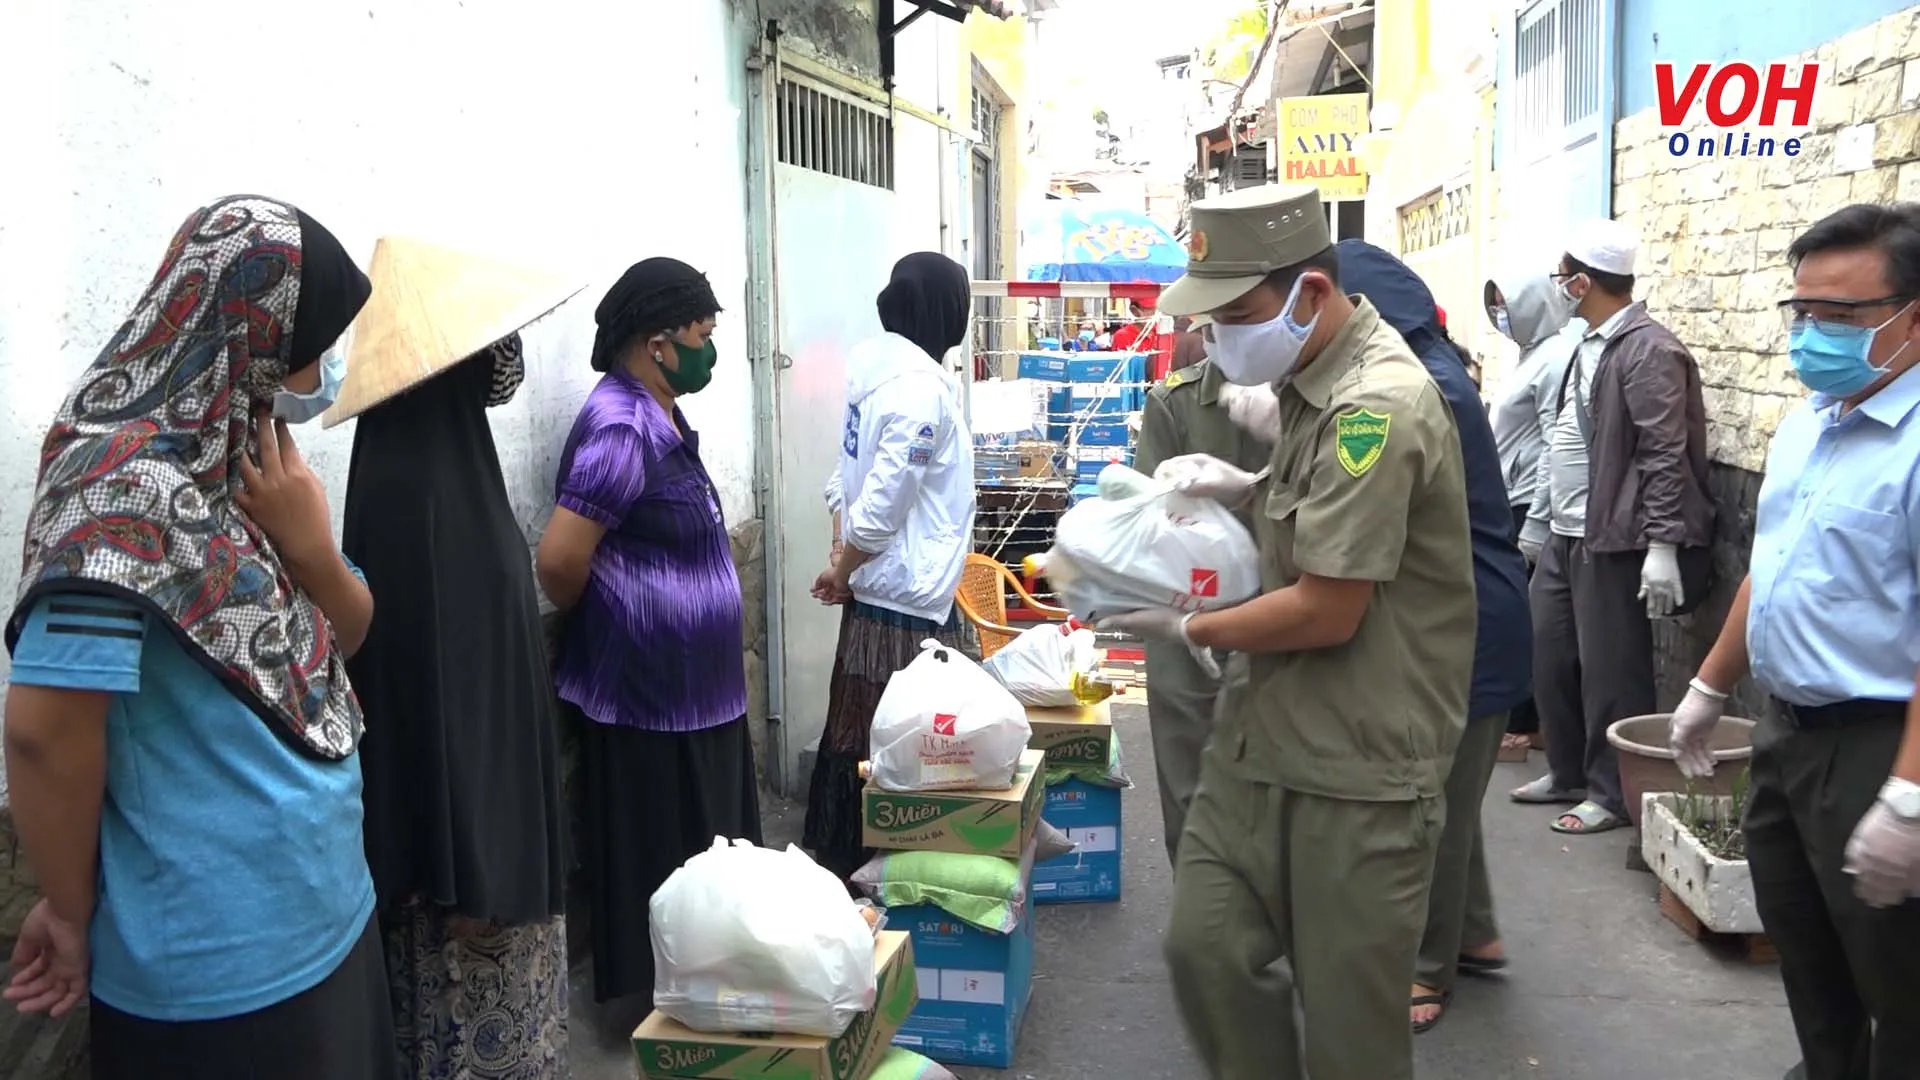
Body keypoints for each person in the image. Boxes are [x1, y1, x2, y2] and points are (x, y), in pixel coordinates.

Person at [1, 195, 399, 1080]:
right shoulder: (114, 487)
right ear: (253, 329)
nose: (326, 369)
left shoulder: (238, 463)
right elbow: (43, 729)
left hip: (327, 910)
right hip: (222, 965)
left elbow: (354, 630)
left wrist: (315, 550)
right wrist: (69, 910)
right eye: (316, 344)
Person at [1103, 184, 1476, 1080]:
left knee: (1352, 1035)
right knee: (1205, 951)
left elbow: (1327, 606)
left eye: (1236, 316)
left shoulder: (1372, 407)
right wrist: (1248, 487)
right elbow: (1303, 511)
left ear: (1309, 293)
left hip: (1358, 765)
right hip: (1259, 740)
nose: (1218, 339)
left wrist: (1185, 623)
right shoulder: (1307, 382)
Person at [1667, 202, 1920, 1080]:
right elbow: (1770, 569)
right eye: (1800, 310)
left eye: (1840, 315)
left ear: (1912, 316)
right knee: (1810, 962)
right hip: (1786, 737)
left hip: (1882, 743)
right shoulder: (1813, 420)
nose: (1811, 332)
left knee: (1901, 981)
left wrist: (1909, 796)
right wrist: (1706, 688)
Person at [341, 311, 569, 1072]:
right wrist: (473, 868)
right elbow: (439, 700)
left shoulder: (440, 470)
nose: (503, 371)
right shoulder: (427, 489)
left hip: (481, 846)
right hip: (465, 881)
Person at [534, 257, 762, 1006]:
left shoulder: (659, 409)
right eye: (701, 333)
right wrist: (624, 616)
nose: (709, 348)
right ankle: (664, 1004)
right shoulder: (621, 424)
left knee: (708, 853)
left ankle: (713, 989)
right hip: (649, 699)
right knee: (662, 855)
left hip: (697, 696)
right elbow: (561, 561)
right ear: (658, 341)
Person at [1333, 239, 1533, 1033]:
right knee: (1450, 792)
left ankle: (1425, 968)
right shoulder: (1430, 371)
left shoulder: (1413, 390)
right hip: (1468, 613)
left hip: (1464, 624)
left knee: (1428, 806)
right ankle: (1475, 934)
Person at [1511, 218, 1715, 835]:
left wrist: (1661, 544)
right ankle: (1568, 770)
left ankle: (1613, 792)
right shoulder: (1586, 343)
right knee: (1549, 656)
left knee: (1611, 671)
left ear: (1580, 283)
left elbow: (1664, 452)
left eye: (1561, 278)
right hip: (1566, 530)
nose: (1557, 289)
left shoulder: (1649, 349)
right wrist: (1542, 520)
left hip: (1617, 535)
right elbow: (1564, 436)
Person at [803, 252, 978, 883]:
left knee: (867, 740)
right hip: (905, 607)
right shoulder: (916, 392)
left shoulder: (877, 376)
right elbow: (877, 507)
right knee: (915, 753)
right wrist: (845, 565)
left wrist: (840, 558)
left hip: (891, 592)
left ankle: (859, 875)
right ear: (941, 311)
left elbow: (840, 482)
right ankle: (904, 878)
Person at [1132, 314, 1273, 864]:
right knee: (1189, 781)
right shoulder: (1176, 402)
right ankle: (1207, 922)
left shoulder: (1321, 399)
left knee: (1284, 784)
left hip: (1293, 615)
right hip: (1188, 617)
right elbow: (1145, 519)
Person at [1485, 270, 1582, 755]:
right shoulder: (1529, 357)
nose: (1501, 315)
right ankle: (1527, 719)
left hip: (1528, 503)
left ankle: (1529, 722)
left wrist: (1537, 523)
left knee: (1526, 619)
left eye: (1508, 304)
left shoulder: (1555, 359)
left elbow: (1552, 444)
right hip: (1510, 497)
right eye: (1496, 305)